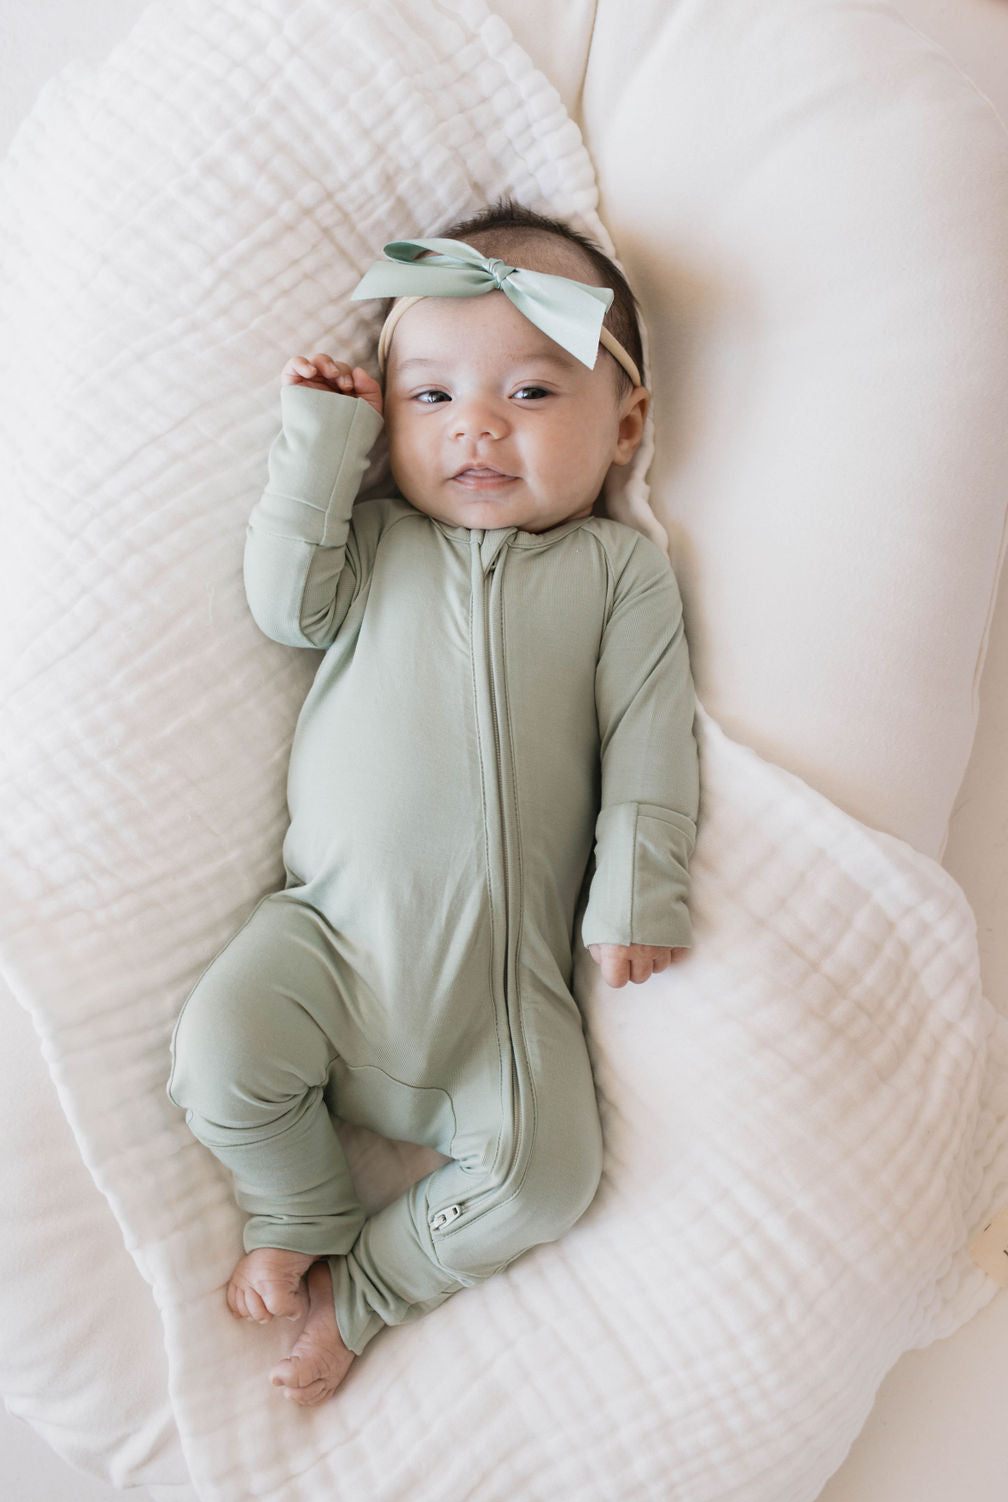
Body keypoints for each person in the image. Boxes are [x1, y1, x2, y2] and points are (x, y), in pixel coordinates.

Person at [167, 200, 699, 1406]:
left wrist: (639, 891)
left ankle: (367, 1291)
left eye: (529, 394)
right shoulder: (374, 542)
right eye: (431, 397)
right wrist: (319, 443)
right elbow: (282, 605)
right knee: (217, 1051)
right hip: (326, 940)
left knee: (547, 1178)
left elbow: (649, 743)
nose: (476, 429)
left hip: (499, 999)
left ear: (626, 423)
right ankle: (298, 1198)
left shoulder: (619, 573)